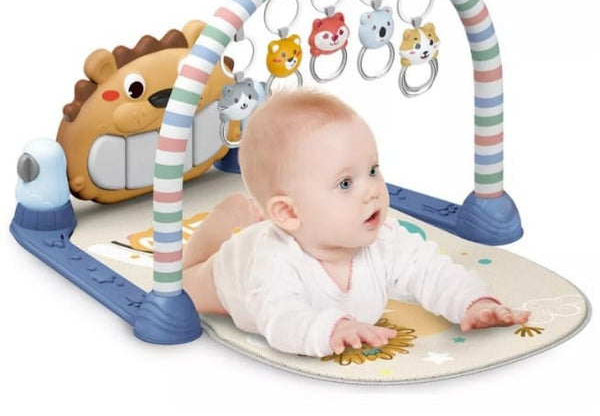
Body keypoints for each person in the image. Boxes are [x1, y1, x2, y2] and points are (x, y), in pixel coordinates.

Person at [182, 89, 529, 357]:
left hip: (272, 232)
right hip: (229, 275)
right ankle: (225, 217)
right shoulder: (273, 262)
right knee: (184, 284)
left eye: (373, 170)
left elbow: (432, 271)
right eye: (346, 183)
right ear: (289, 213)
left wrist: (473, 302)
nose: (372, 191)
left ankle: (241, 213)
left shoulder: (383, 239)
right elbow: (279, 318)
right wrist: (330, 330)